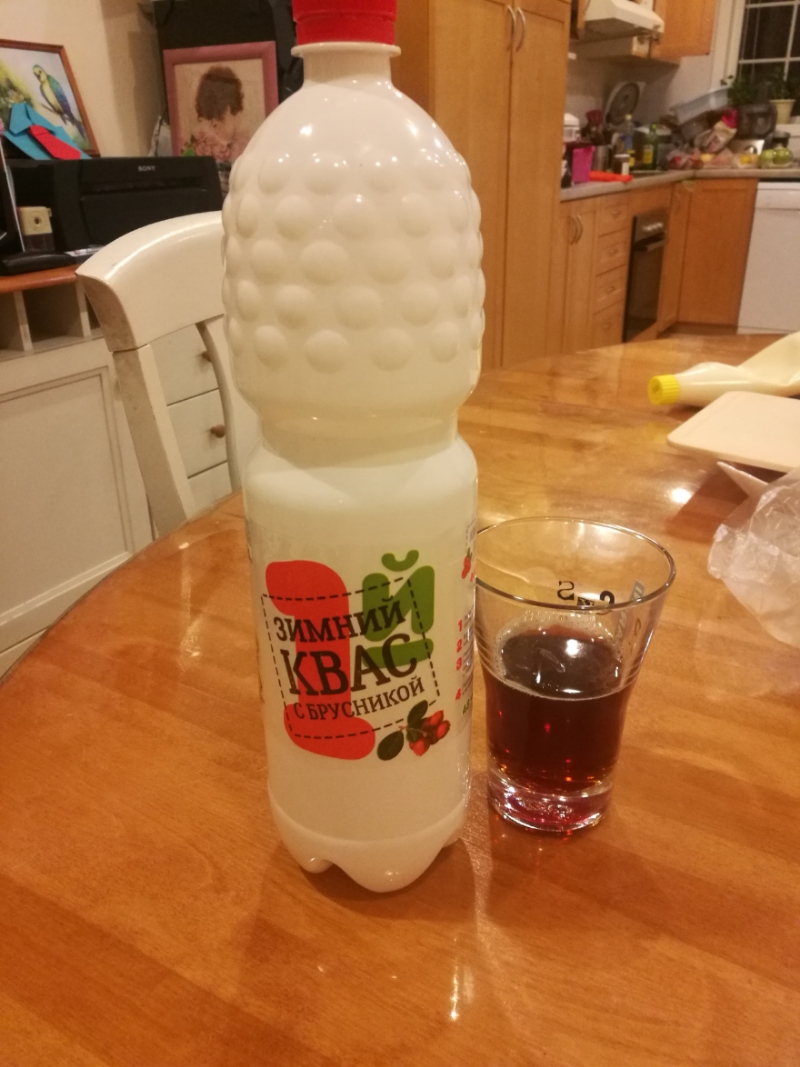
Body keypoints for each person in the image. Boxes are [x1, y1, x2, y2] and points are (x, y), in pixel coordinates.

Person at [186, 65, 249, 162]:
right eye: (235, 115)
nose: (238, 121)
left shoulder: (240, 142)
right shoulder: (201, 142)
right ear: (228, 110)